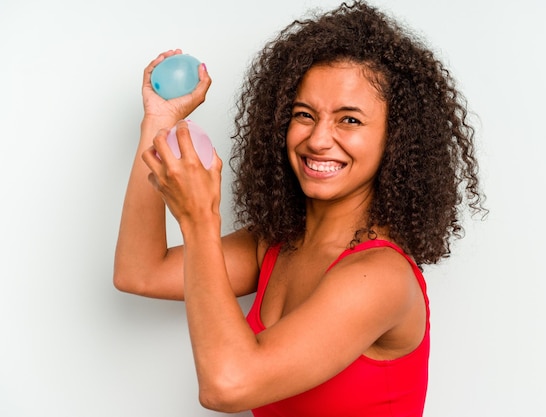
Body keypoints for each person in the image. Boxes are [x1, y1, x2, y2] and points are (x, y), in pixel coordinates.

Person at [114, 1, 486, 415]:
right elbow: (140, 271)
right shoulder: (276, 245)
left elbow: (228, 385)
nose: (318, 140)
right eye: (304, 114)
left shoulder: (380, 277)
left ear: (395, 141)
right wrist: (158, 125)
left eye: (349, 120)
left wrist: (200, 218)